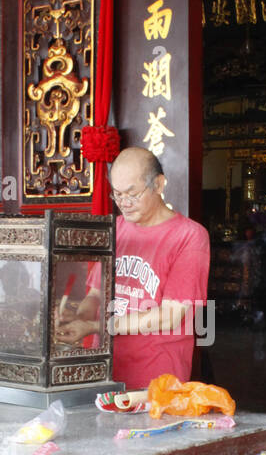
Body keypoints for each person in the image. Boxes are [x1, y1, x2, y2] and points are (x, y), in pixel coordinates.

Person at [56, 147, 210, 390]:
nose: (124, 203)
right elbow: (96, 294)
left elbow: (170, 316)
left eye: (132, 194)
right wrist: (78, 318)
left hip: (155, 380)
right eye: (117, 195)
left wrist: (97, 326)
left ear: (158, 185)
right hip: (104, 372)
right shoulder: (113, 230)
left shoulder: (189, 236)